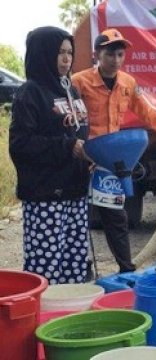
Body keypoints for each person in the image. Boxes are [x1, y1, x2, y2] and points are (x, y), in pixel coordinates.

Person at [72, 28, 156, 273]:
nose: (116, 60)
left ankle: (126, 269)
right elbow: (68, 118)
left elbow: (144, 111)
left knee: (115, 216)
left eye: (120, 55)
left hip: (110, 161)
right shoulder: (79, 82)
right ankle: (78, 267)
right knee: (77, 215)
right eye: (110, 55)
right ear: (97, 54)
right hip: (81, 157)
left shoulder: (128, 83)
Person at [9, 26, 91, 284]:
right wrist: (68, 147)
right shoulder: (30, 92)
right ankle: (44, 320)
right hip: (46, 196)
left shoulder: (71, 90)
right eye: (59, 53)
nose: (67, 59)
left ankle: (70, 318)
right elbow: (21, 144)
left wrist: (89, 156)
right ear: (42, 54)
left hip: (75, 191)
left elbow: (80, 133)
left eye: (69, 52)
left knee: (75, 263)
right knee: (46, 269)